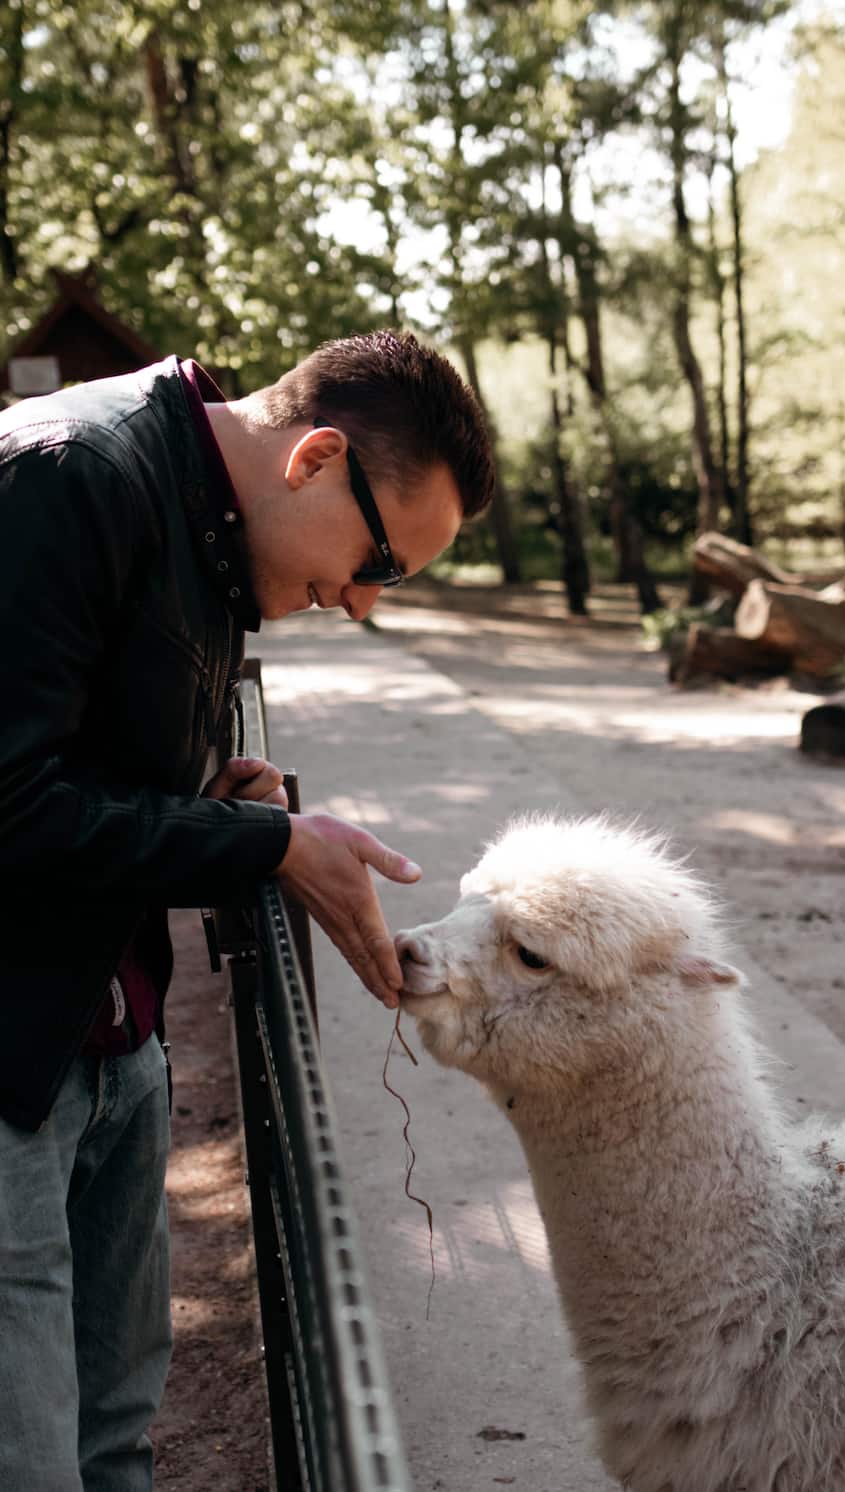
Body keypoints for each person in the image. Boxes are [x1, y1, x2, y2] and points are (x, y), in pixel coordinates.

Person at [0, 329, 495, 1490]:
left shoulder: (204, 521)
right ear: (316, 457)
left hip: (109, 1036)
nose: (363, 605)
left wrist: (209, 789)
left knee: (112, 1440)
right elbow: (11, 806)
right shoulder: (67, 475)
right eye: (381, 562)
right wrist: (263, 842)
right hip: (14, 1065)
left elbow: (84, 746)